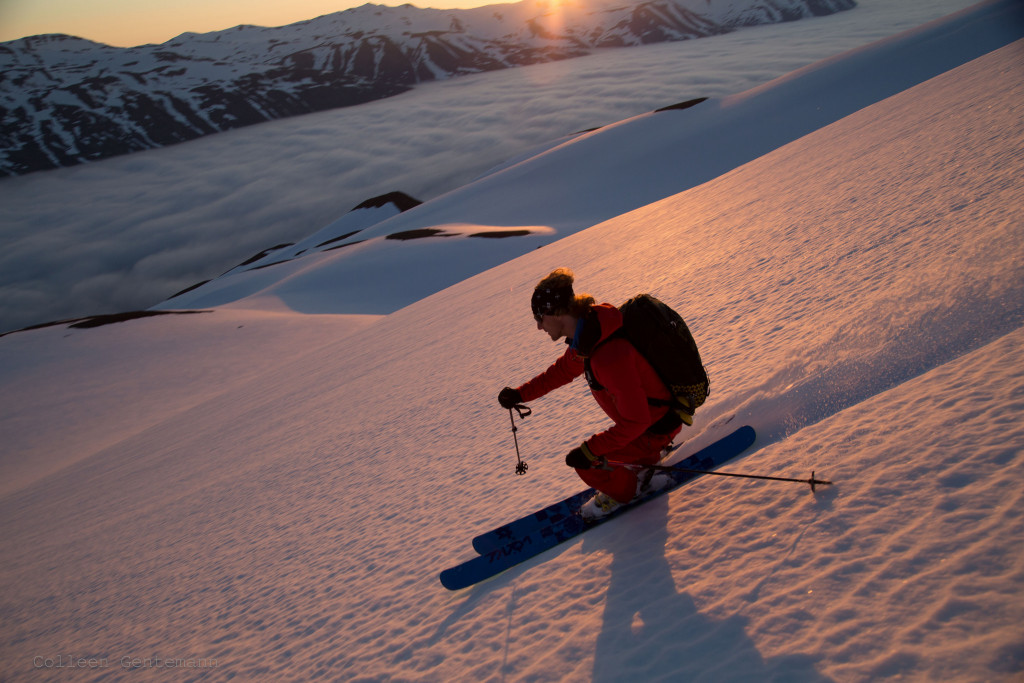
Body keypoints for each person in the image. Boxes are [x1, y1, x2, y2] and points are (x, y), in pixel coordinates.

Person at [498, 268, 685, 519]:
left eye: (540, 317)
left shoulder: (607, 354)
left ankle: (632, 489)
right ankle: (644, 458)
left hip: (654, 427)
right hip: (651, 422)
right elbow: (561, 372)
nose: (539, 326)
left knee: (586, 465)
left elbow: (636, 421)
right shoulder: (590, 334)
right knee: (597, 453)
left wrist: (590, 451)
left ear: (556, 313)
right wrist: (520, 394)